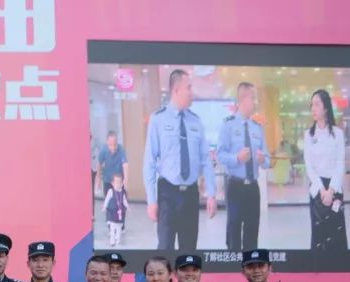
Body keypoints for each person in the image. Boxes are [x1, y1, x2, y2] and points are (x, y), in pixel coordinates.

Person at [143, 69, 217, 252]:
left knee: (189, 251)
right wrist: (151, 200)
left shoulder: (196, 122)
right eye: (188, 88)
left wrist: (212, 194)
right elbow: (149, 162)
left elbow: (205, 160)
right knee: (165, 250)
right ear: (176, 90)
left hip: (190, 194)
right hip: (167, 193)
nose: (192, 92)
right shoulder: (158, 120)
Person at [217, 82, 270, 252]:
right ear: (243, 99)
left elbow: (267, 160)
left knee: (252, 232)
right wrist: (237, 158)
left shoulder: (257, 128)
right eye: (253, 98)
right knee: (233, 232)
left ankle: (251, 265)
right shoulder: (228, 125)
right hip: (235, 186)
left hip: (253, 187)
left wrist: (262, 160)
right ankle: (233, 265)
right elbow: (220, 155)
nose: (255, 102)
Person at [304, 89, 348, 251]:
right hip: (317, 189)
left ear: (326, 108)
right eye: (312, 105)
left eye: (317, 104)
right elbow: (309, 166)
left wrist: (331, 191)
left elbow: (340, 164)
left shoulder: (338, 134)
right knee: (319, 235)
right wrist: (322, 190)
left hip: (334, 188)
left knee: (336, 233)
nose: (313, 109)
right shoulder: (308, 135)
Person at [98, 131, 129, 197]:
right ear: (107, 143)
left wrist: (126, 179)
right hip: (108, 181)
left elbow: (125, 164)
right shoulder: (104, 150)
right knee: (108, 200)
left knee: (122, 200)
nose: (113, 147)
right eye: (110, 145)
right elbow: (99, 164)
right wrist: (98, 179)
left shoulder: (121, 150)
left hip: (119, 181)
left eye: (115, 144)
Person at [102, 173, 129, 247]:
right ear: (112, 183)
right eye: (116, 182)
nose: (117, 184)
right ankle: (112, 241)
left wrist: (127, 206)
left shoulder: (122, 193)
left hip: (119, 214)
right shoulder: (111, 191)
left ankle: (118, 240)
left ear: (122, 184)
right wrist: (104, 206)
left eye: (119, 182)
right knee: (112, 228)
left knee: (119, 228)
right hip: (112, 213)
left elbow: (124, 200)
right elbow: (107, 199)